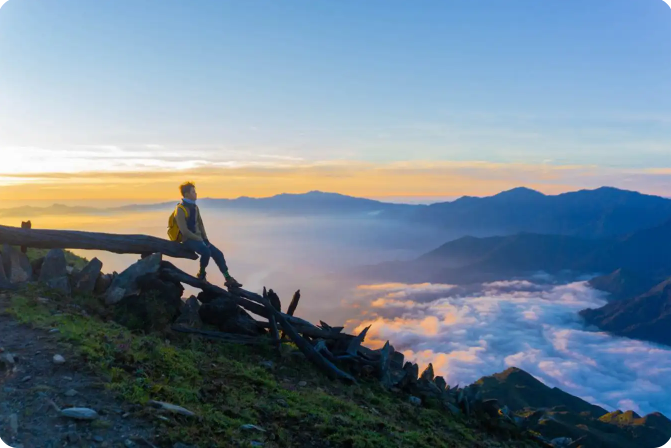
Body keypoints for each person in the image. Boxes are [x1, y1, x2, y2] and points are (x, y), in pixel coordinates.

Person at [173, 181, 242, 288]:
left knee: (218, 254)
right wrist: (199, 239)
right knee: (206, 252)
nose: (196, 194)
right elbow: (184, 231)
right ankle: (201, 274)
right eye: (193, 192)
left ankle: (228, 278)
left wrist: (205, 239)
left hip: (200, 239)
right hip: (188, 240)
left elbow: (200, 224)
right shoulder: (180, 210)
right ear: (186, 194)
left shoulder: (195, 207)